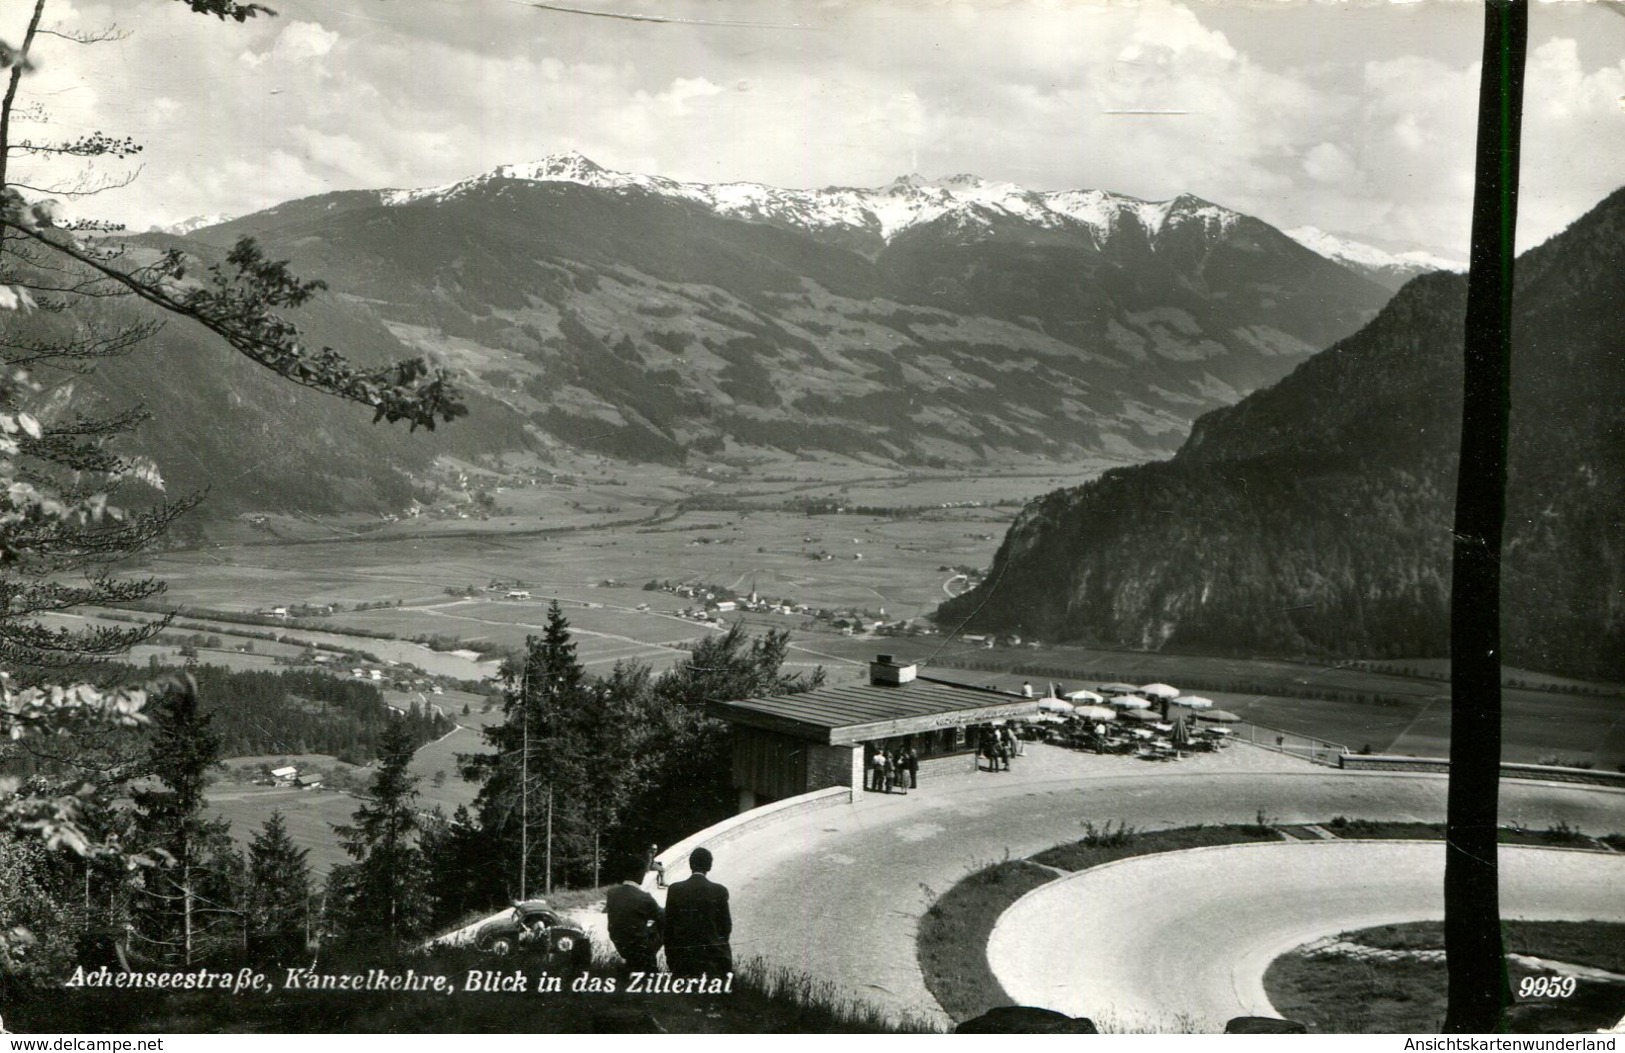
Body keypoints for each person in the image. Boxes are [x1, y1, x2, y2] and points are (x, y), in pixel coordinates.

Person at [663, 847, 732, 978]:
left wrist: (671, 958)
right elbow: (726, 927)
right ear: (709, 866)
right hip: (711, 958)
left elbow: (668, 928)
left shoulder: (675, 889)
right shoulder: (719, 890)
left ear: (690, 864)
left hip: (683, 958)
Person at [605, 867, 664, 980]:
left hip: (620, 943)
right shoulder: (644, 897)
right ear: (640, 874)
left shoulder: (611, 892)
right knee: (665, 922)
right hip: (639, 946)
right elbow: (661, 916)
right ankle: (651, 967)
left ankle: (632, 966)